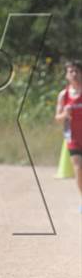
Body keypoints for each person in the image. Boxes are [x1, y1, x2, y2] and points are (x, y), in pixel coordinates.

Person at [55, 60, 82, 209]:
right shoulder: (63, 95)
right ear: (66, 75)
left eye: (76, 71)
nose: (74, 74)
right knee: (78, 167)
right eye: (71, 71)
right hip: (73, 137)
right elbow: (57, 118)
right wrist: (65, 114)